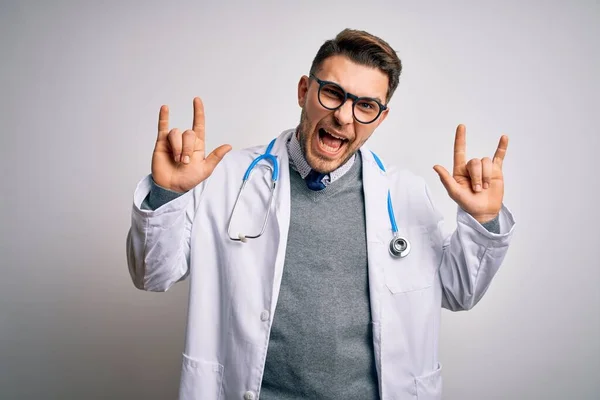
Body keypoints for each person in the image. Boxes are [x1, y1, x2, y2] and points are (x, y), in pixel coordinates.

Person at [126, 28, 515, 400]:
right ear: (303, 91)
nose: (345, 117)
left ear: (380, 118)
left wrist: (483, 222)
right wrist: (168, 193)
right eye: (332, 93)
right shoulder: (225, 179)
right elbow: (152, 274)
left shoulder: (405, 195)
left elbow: (458, 292)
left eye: (365, 106)